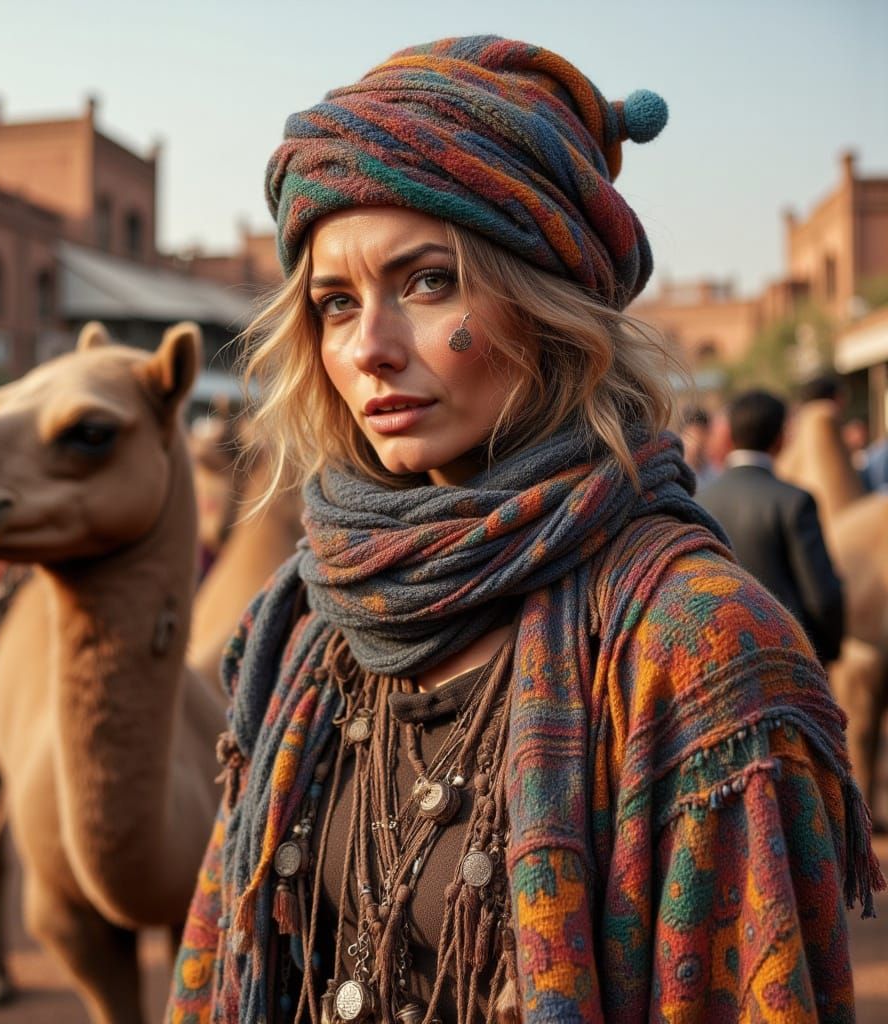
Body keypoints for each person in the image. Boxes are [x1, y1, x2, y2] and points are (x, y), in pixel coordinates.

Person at [169, 37, 882, 1023]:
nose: (368, 348)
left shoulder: (695, 646)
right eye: (335, 304)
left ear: (551, 304)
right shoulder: (307, 621)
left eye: (427, 282)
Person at [697, 390, 844, 666]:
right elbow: (822, 598)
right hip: (790, 660)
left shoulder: (699, 501)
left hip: (717, 658)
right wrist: (827, 655)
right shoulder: (795, 501)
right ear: (780, 439)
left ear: (729, 436)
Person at [677, 405, 718, 487]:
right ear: (682, 435)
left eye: (702, 435)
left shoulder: (715, 474)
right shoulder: (676, 474)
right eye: (692, 438)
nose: (697, 443)